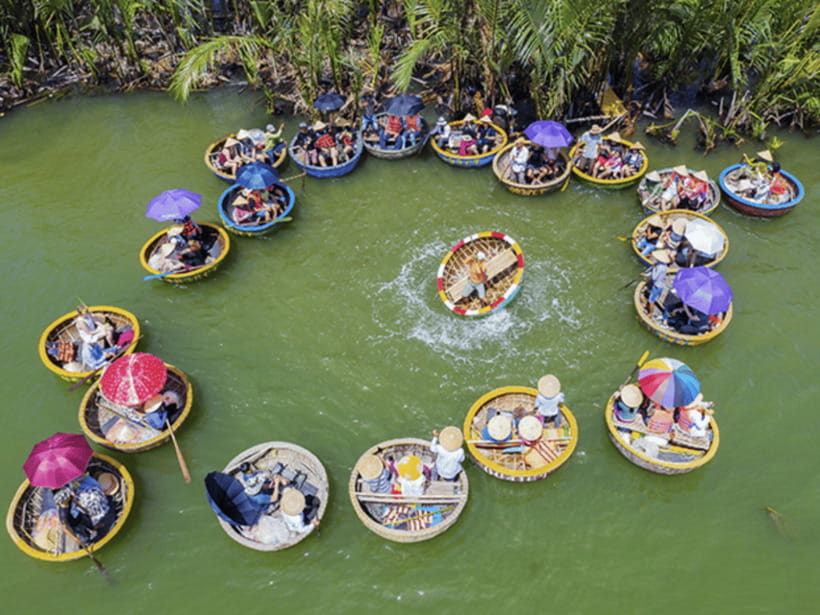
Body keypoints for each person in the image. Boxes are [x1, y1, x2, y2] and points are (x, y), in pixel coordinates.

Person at [643, 249, 672, 319]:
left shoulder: (660, 267)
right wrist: (647, 275)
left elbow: (654, 277)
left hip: (657, 286)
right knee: (652, 298)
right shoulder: (663, 265)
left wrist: (654, 268)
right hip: (659, 284)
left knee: (651, 300)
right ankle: (647, 307)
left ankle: (651, 313)